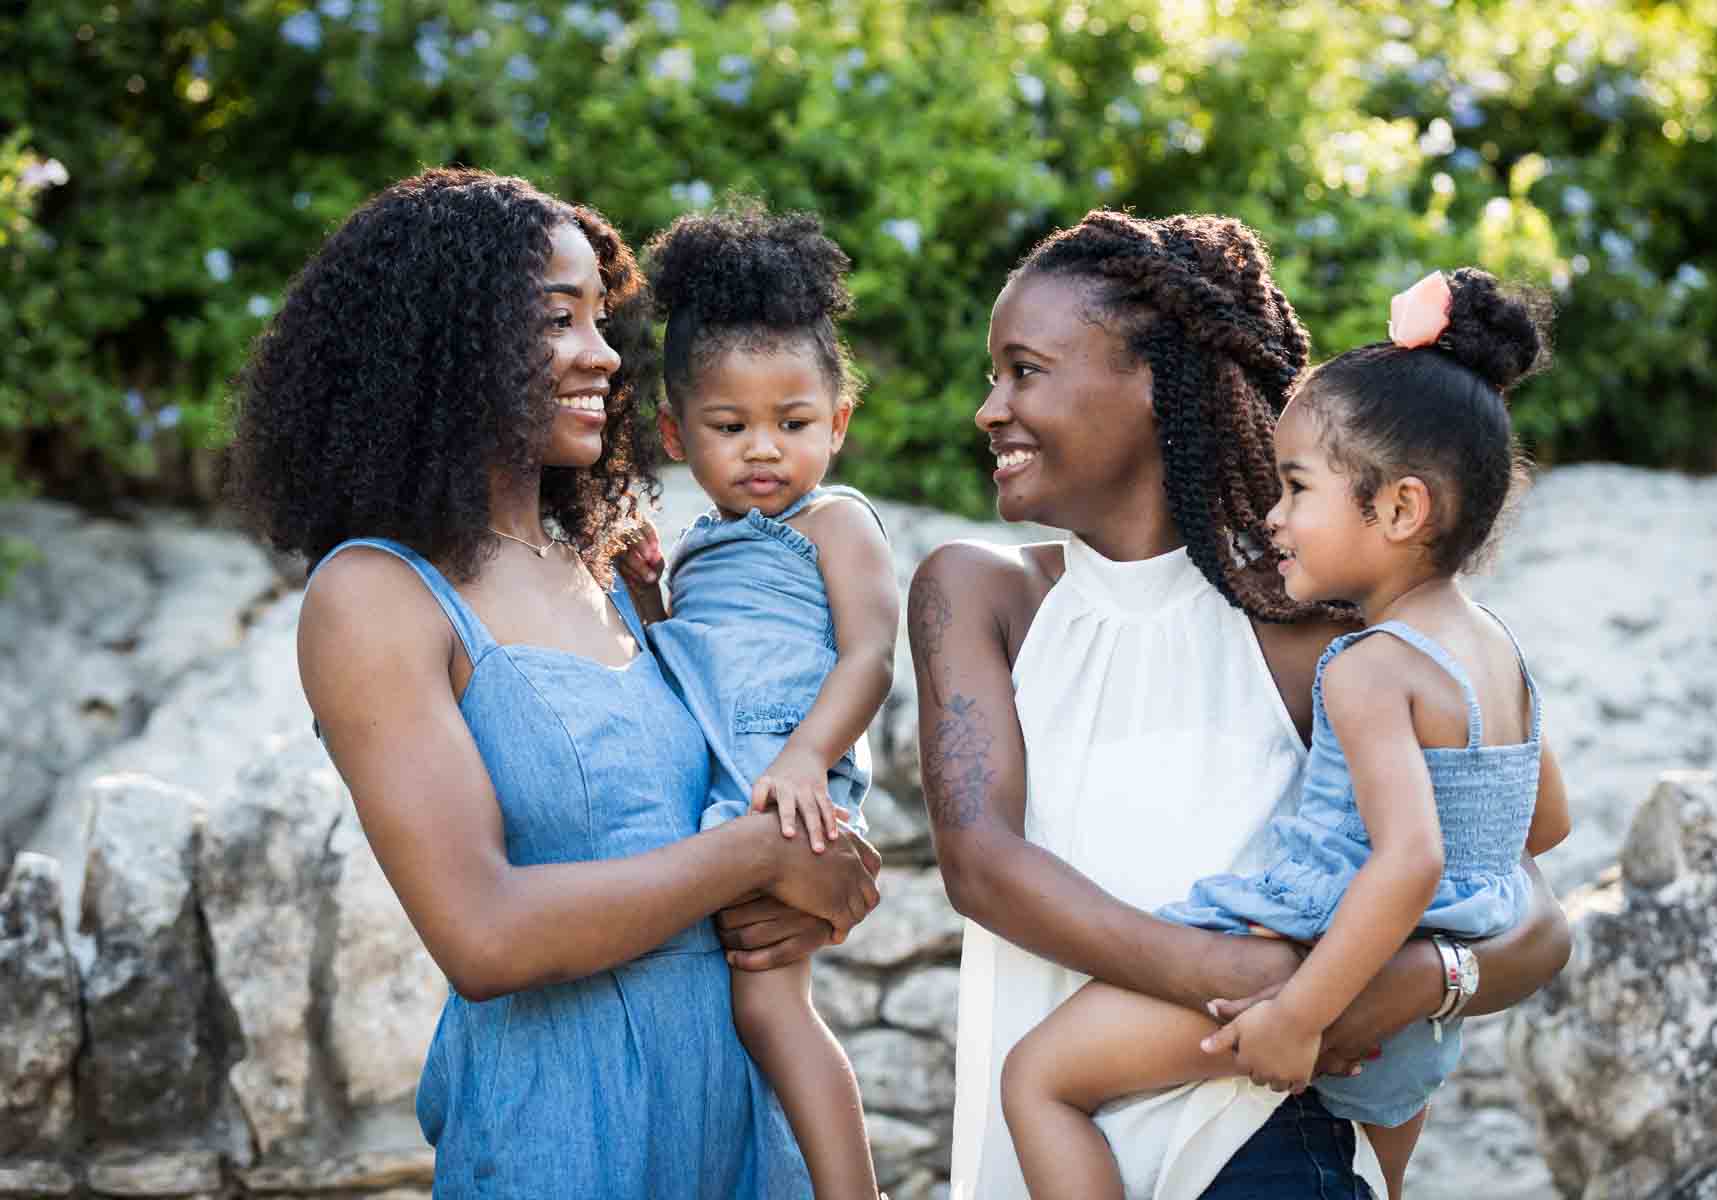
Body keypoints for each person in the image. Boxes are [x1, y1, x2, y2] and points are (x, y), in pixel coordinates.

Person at [228, 168, 880, 1197]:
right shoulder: (375, 597)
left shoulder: (616, 570)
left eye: (601, 317)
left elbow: (738, 784)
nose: (604, 352)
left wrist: (817, 888)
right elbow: (485, 935)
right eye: (557, 319)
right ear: (444, 344)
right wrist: (754, 852)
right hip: (564, 1137)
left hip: (737, 1126)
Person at [905, 210, 1573, 1199]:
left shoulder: (1327, 627)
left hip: (1261, 1144)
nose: (988, 408)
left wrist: (1386, 992)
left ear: (1151, 382)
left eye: (1024, 369)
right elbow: (984, 867)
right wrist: (1285, 988)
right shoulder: (977, 593)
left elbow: (1524, 899)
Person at [616, 204, 894, 1200]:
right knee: (733, 1003)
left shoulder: (835, 524)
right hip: (723, 776)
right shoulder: (699, 543)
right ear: (674, 433)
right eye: (730, 428)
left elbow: (869, 658)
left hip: (788, 778)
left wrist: (809, 759)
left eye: (795, 423)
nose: (764, 450)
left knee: (775, 1006)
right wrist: (649, 586)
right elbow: (677, 662)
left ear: (840, 422)